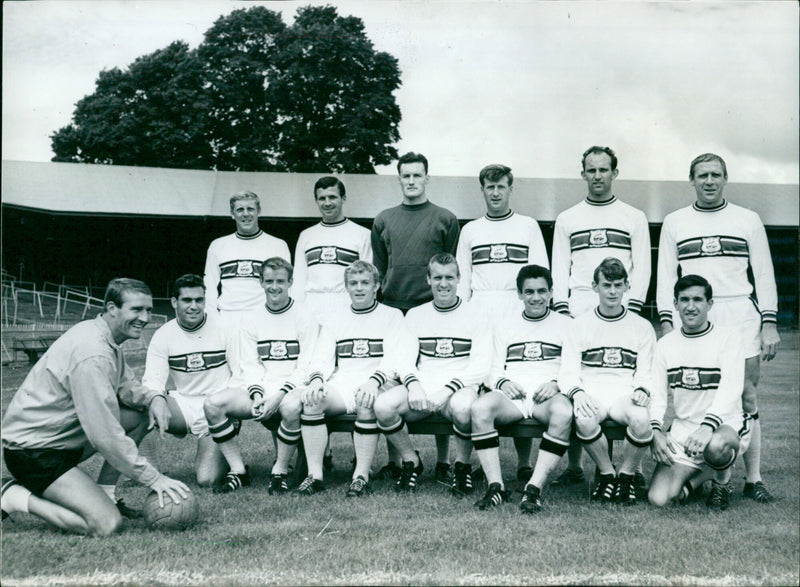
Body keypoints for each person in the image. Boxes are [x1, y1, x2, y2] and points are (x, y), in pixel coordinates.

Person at [1, 279, 189, 535]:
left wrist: (153, 398)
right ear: (112, 308)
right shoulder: (93, 353)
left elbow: (127, 387)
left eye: (148, 310)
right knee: (105, 524)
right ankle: (13, 497)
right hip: (34, 451)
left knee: (140, 416)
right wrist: (154, 478)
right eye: (136, 310)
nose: (145, 318)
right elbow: (104, 435)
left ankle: (106, 494)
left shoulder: (104, 336)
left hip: (59, 440)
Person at [656, 153, 779, 503]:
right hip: (693, 312)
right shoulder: (675, 221)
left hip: (739, 313)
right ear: (691, 180)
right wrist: (668, 321)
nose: (709, 181)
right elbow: (667, 277)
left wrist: (768, 322)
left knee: (745, 396)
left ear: (725, 178)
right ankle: (708, 468)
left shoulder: (748, 219)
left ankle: (752, 479)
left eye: (715, 175)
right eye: (702, 175)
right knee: (698, 395)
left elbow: (764, 272)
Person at [550, 146, 651, 489]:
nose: (597, 176)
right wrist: (563, 311)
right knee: (581, 385)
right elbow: (559, 268)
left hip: (618, 305)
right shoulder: (567, 218)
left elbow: (642, 267)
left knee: (619, 379)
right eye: (590, 170)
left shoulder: (633, 216)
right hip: (579, 307)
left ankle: (630, 471)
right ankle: (576, 466)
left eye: (603, 170)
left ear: (614, 173)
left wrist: (630, 312)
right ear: (583, 174)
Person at [456, 163, 550, 481]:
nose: (495, 192)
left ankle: (524, 463)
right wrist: (466, 315)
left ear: (511, 188)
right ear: (482, 189)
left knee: (518, 378)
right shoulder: (470, 230)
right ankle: (469, 463)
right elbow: (463, 279)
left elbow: (539, 273)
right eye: (489, 187)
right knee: (481, 384)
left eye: (501, 187)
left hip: (516, 308)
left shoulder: (527, 226)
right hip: (481, 310)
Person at [371, 152, 461, 481]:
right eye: (405, 176)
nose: (411, 181)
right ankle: (399, 460)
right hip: (395, 307)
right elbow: (380, 267)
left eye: (417, 175)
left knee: (436, 379)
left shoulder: (446, 218)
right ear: (399, 179)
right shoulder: (383, 219)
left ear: (427, 178)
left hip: (432, 309)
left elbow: (446, 265)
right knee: (398, 382)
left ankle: (444, 460)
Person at [374, 253, 491, 495]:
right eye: (437, 277)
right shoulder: (416, 314)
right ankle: (411, 461)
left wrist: (447, 390)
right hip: (424, 386)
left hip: (460, 387)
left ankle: (462, 466)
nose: (443, 283)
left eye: (449, 277)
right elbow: (403, 360)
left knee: (463, 408)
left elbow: (481, 366)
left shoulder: (477, 314)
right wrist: (414, 385)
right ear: (428, 279)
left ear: (459, 278)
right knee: (384, 406)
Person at [203, 257, 321, 495]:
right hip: (261, 388)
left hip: (292, 387)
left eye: (280, 281)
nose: (274, 287)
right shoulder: (251, 317)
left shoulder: (304, 315)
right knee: (213, 405)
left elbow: (305, 366)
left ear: (290, 282)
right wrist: (257, 395)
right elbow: (250, 364)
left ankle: (280, 470)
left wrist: (278, 396)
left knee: (289, 409)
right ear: (261, 282)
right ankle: (238, 470)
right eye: (269, 281)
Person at [295, 261, 410, 497]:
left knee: (366, 400)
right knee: (312, 400)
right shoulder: (334, 317)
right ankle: (315, 475)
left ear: (376, 286)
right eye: (354, 283)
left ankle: (360, 476)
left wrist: (373, 381)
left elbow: (395, 359)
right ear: (346, 287)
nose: (359, 288)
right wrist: (316, 381)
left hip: (379, 382)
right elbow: (322, 357)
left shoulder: (392, 315)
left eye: (365, 283)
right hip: (344, 381)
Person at [471, 265, 573, 512]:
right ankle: (496, 487)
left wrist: (556, 383)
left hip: (547, 395)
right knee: (480, 408)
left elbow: (573, 367)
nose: (536, 297)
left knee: (564, 413)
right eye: (529, 292)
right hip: (513, 395)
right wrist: (504, 382)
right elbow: (493, 368)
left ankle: (533, 488)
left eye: (541, 291)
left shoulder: (567, 324)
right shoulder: (504, 323)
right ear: (519, 294)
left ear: (551, 292)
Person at [648, 275, 752, 511]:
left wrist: (708, 426)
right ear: (675, 304)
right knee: (660, 499)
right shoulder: (665, 344)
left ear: (710, 304)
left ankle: (722, 483)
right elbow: (657, 394)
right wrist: (655, 431)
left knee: (716, 446)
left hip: (724, 425)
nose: (690, 306)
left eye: (698, 299)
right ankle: (699, 478)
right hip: (684, 429)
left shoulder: (728, 337)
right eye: (684, 300)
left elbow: (731, 388)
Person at [559, 258, 656, 505]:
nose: (612, 291)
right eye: (606, 285)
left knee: (642, 420)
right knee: (584, 418)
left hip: (625, 392)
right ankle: (606, 474)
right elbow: (568, 372)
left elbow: (646, 372)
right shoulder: (579, 325)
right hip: (592, 391)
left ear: (626, 286)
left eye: (617, 285)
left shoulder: (642, 326)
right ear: (595, 287)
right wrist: (578, 394)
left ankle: (626, 475)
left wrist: (643, 389)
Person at [141, 274, 231, 486]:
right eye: (187, 300)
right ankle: (148, 472)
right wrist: (157, 400)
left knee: (207, 479)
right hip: (184, 404)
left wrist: (229, 408)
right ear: (174, 302)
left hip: (218, 407)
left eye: (199, 300)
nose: (194, 306)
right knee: (140, 405)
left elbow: (242, 375)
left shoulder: (225, 329)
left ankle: (225, 455)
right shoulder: (163, 334)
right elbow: (152, 380)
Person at [203, 191, 291, 328]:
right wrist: (213, 319)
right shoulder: (218, 246)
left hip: (264, 317)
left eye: (250, 209)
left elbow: (286, 287)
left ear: (258, 211)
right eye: (240, 210)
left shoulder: (277, 245)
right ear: (232, 214)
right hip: (227, 319)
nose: (245, 214)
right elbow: (209, 286)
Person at [291, 176, 373, 322]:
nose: (327, 203)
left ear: (343, 198)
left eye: (332, 197)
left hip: (346, 307)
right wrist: (297, 313)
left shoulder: (363, 234)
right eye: (322, 198)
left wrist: (365, 314)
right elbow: (299, 279)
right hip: (312, 309)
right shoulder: (306, 235)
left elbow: (369, 280)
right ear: (316, 201)